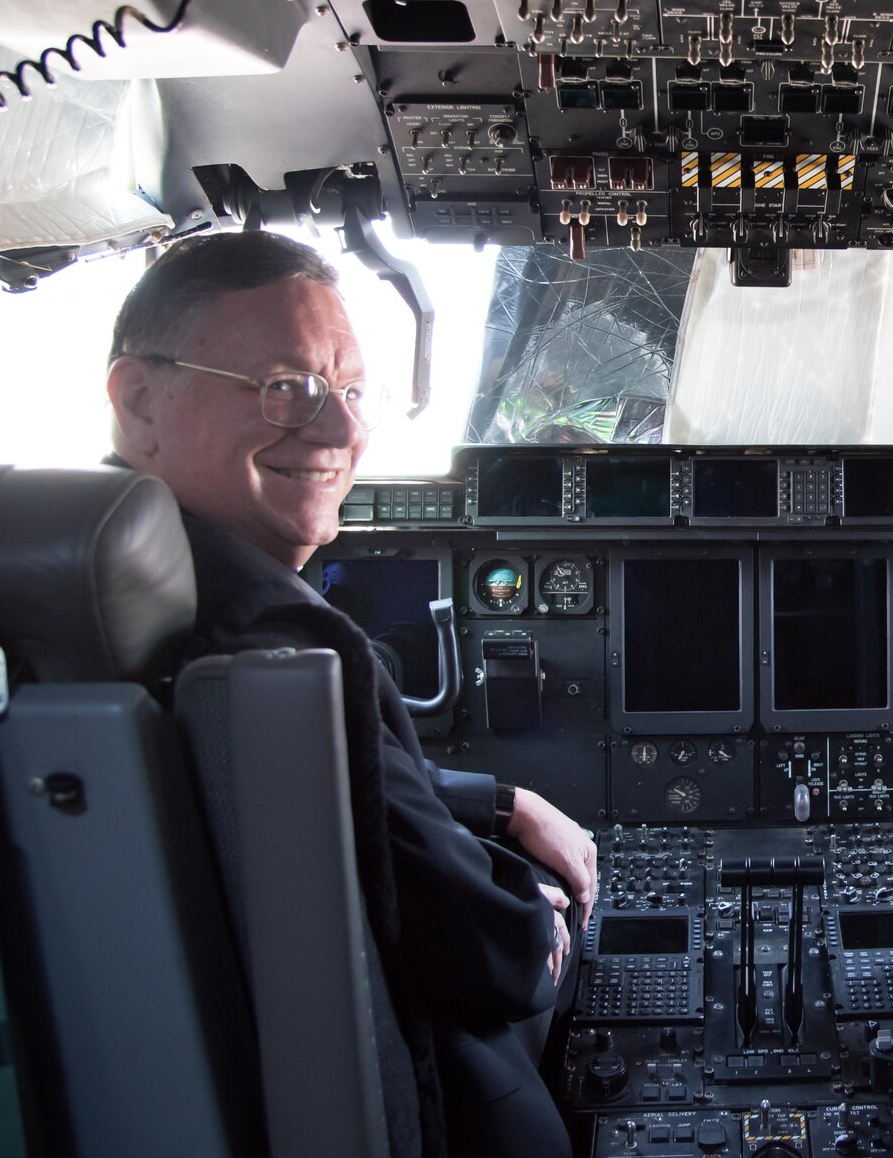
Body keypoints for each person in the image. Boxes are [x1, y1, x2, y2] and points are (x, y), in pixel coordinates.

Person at [105, 231, 594, 1158]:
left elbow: (326, 801)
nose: (339, 432)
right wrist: (544, 912)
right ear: (139, 400)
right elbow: (489, 957)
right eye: (287, 386)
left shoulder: (93, 597)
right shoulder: (277, 640)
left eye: (352, 391)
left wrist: (503, 798)